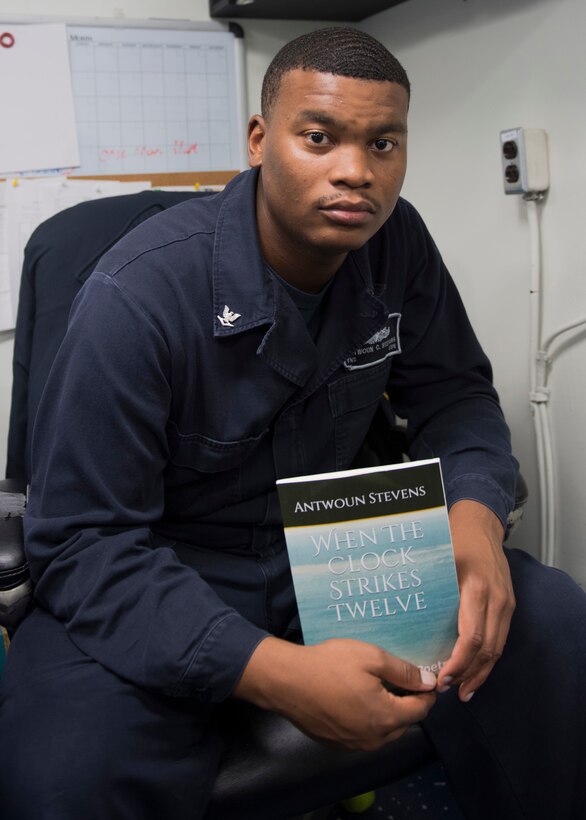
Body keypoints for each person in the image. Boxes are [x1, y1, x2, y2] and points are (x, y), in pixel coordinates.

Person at [1, 26, 585, 820]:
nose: (356, 171)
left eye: (383, 143)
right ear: (258, 140)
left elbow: (455, 397)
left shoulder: (397, 241)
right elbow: (80, 542)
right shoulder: (136, 296)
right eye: (319, 137)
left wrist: (475, 510)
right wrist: (272, 671)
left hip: (338, 540)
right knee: (66, 776)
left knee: (549, 621)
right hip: (166, 565)